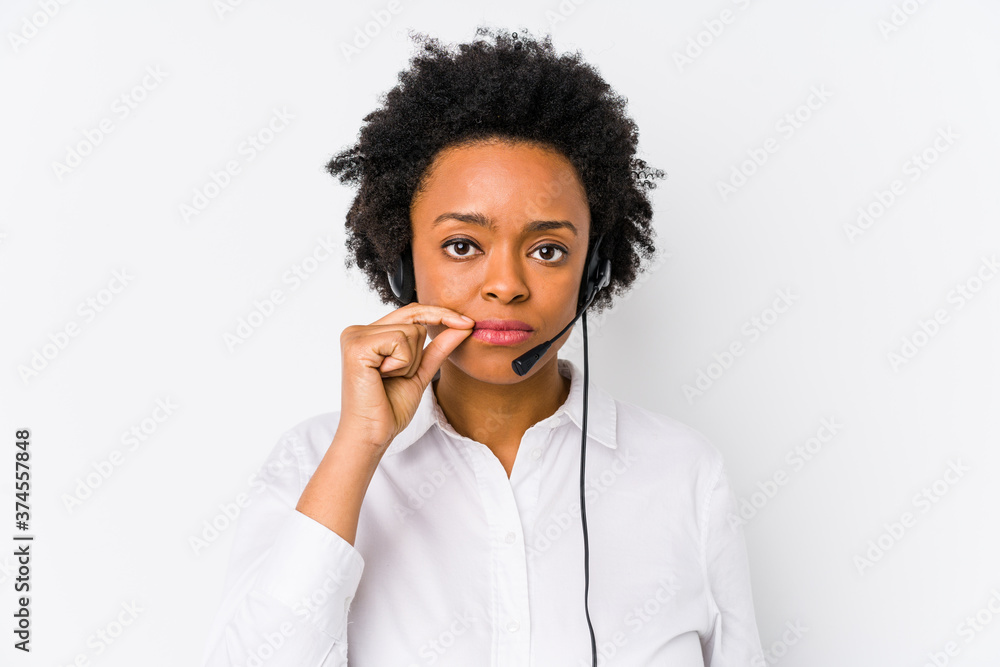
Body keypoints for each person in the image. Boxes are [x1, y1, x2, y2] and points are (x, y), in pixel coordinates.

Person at [202, 27, 763, 666]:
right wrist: (360, 448)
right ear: (402, 268)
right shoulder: (311, 462)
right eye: (463, 245)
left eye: (547, 250)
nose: (506, 285)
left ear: (594, 269)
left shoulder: (684, 475)